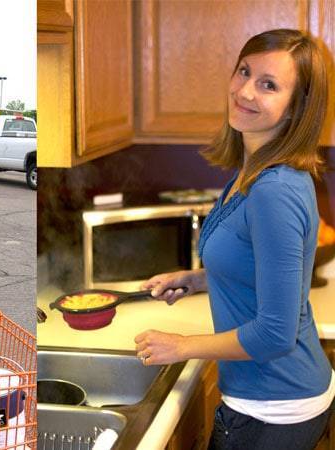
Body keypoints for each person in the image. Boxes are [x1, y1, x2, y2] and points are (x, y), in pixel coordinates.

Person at [135, 29, 334, 450]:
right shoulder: (254, 173)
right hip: (273, 398)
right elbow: (260, 269)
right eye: (244, 71)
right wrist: (198, 279)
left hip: (273, 408)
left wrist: (183, 346)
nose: (244, 91)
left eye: (268, 85)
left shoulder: (272, 190)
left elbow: (275, 334)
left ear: (297, 107)